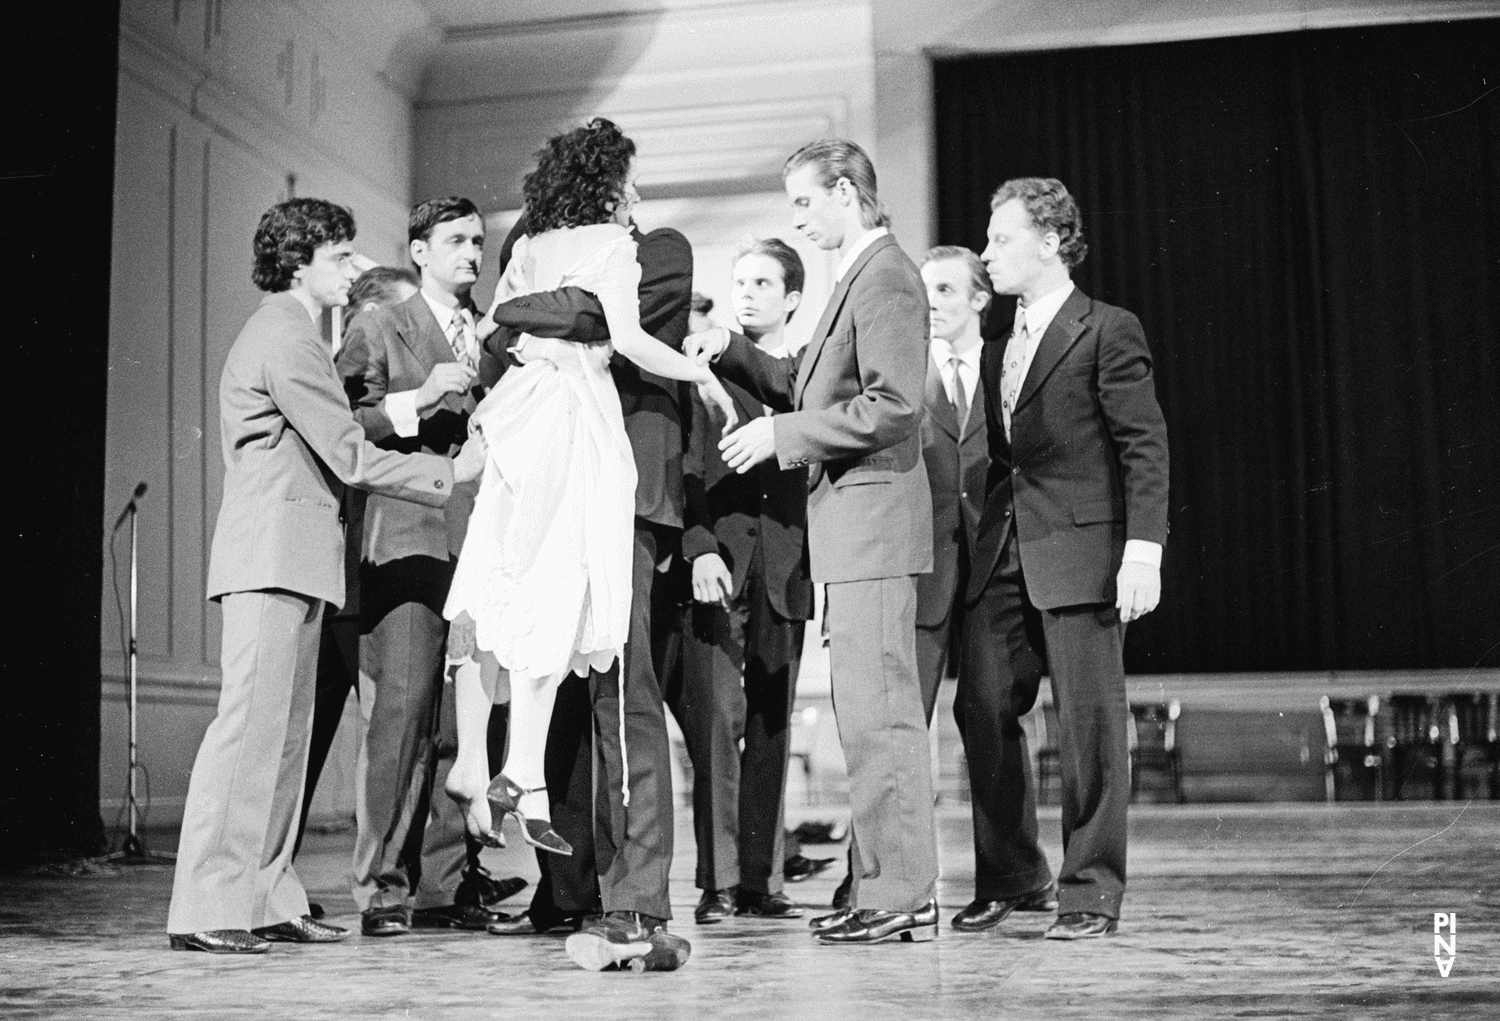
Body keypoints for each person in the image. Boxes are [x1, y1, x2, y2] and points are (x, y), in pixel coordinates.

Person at [442, 117, 736, 972]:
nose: (637, 195)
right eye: (628, 181)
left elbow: (576, 318)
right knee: (549, 677)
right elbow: (523, 328)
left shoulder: (663, 250)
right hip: (549, 468)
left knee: (619, 692)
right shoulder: (549, 244)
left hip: (624, 492)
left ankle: (635, 899)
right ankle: (566, 887)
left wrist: (518, 310)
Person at [166, 198, 485, 954]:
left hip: (297, 560)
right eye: (340, 256)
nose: (354, 269)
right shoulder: (284, 334)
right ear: (299, 261)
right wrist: (449, 471)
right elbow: (347, 451)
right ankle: (208, 904)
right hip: (269, 558)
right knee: (248, 738)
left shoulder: (300, 334)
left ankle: (267, 894)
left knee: (282, 745)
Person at [686, 138, 939, 946]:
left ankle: (902, 892)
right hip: (853, 532)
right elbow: (805, 383)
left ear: (843, 192)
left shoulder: (887, 274)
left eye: (802, 201)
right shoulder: (854, 277)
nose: (796, 216)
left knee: (882, 716)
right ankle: (882, 885)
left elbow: (895, 404)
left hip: (872, 524)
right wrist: (728, 351)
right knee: (865, 716)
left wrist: (780, 436)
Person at [960, 177, 1169, 939]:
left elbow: (1144, 444)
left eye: (1002, 239)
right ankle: (1015, 874)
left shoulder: (1106, 328)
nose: (988, 253)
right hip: (1004, 550)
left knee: (1087, 729)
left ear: (1050, 243)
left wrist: (1142, 549)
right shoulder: (994, 337)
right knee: (980, 703)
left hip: (1082, 550)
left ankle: (1090, 890)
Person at [335, 197, 511, 937]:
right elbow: (342, 424)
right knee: (402, 717)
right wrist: (418, 397)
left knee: (461, 726)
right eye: (456, 241)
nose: (472, 253)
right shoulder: (383, 323)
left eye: (478, 241)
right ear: (419, 251)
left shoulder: (501, 341)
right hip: (408, 540)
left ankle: (443, 884)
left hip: (481, 543)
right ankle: (381, 886)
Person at [670, 239, 815, 925]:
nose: (748, 292)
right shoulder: (699, 373)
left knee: (771, 724)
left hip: (785, 571)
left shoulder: (808, 376)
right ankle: (719, 882)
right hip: (719, 571)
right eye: (740, 281)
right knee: (719, 724)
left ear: (792, 296)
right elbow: (683, 471)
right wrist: (699, 548)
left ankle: (761, 880)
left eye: (763, 282)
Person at [291, 265, 417, 918]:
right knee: (306, 742)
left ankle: (381, 886)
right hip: (344, 581)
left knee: (380, 744)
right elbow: (345, 440)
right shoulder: (356, 366)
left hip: (375, 584)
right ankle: (274, 879)